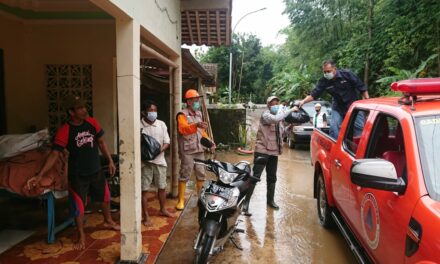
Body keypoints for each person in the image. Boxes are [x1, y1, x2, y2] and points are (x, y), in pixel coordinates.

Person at [26, 95, 119, 250]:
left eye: (84, 107)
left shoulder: (92, 123)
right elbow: (55, 154)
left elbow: (101, 143)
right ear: (71, 112)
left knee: (106, 197)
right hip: (78, 174)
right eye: (80, 108)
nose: (84, 110)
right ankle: (81, 234)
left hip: (95, 169)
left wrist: (109, 160)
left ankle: (108, 220)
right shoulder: (65, 131)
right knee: (79, 206)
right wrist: (40, 175)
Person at [242, 95, 294, 215]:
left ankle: (270, 201)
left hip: (274, 152)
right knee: (255, 177)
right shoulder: (266, 115)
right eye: (272, 103)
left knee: (272, 178)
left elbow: (281, 135)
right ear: (268, 105)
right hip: (262, 151)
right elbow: (276, 119)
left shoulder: (279, 120)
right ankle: (246, 202)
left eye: (277, 103)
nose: (275, 105)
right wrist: (289, 110)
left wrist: (289, 128)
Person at [299, 59, 369, 138]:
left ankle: (357, 147)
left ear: (334, 69)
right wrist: (303, 101)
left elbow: (362, 88)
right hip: (338, 107)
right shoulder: (324, 81)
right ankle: (335, 148)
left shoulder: (347, 74)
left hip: (353, 106)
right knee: (334, 128)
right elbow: (314, 94)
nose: (326, 74)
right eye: (324, 72)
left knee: (359, 128)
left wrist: (367, 104)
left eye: (328, 71)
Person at [175, 89, 215, 210]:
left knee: (201, 174)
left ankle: (200, 198)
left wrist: (210, 142)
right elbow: (183, 129)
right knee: (185, 173)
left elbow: (201, 132)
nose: (198, 101)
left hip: (199, 149)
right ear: (188, 101)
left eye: (198, 99)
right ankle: (181, 200)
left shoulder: (198, 114)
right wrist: (195, 125)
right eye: (195, 99)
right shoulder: (182, 115)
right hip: (187, 150)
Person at [140, 100, 175, 226]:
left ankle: (163, 209)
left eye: (155, 110)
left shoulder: (161, 124)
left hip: (160, 161)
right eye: (151, 111)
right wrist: (147, 155)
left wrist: (158, 151)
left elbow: (167, 141)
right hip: (144, 163)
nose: (153, 113)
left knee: (162, 187)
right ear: (144, 112)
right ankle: (146, 216)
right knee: (144, 189)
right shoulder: (139, 125)